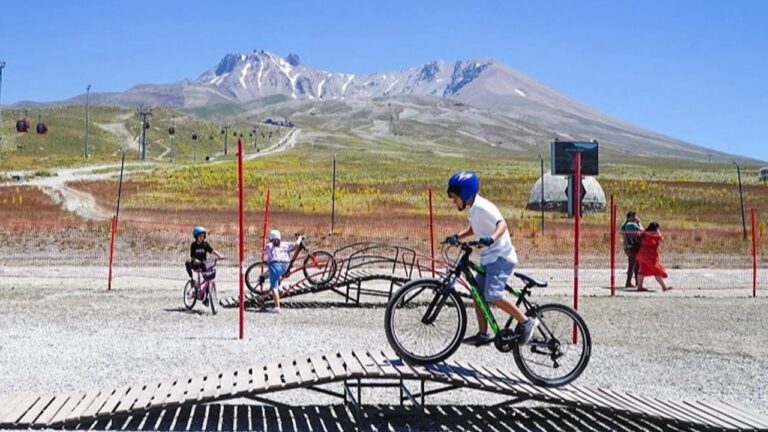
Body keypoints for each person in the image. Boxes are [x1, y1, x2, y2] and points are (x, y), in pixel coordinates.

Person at [445, 171, 539, 346]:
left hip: (501, 256)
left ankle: (526, 322)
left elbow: (501, 224)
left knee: (493, 295)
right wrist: (457, 237)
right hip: (489, 258)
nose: (453, 201)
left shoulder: (482, 207)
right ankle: (483, 334)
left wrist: (492, 238)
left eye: (455, 197)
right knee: (477, 292)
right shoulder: (473, 209)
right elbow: (474, 229)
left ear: (465, 193)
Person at [264, 229, 302, 312]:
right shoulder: (285, 244)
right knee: (277, 274)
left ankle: (277, 307)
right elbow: (296, 245)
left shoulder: (269, 246)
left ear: (271, 238)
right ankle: (279, 282)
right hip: (285, 266)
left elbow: (265, 254)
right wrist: (300, 238)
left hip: (274, 265)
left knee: (274, 287)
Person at [185, 226, 225, 305]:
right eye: (200, 236)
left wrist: (220, 256)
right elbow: (192, 257)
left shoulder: (205, 244)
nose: (202, 237)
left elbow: (212, 251)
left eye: (203, 236)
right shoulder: (193, 245)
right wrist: (197, 261)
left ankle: (206, 297)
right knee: (187, 263)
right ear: (196, 236)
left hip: (203, 263)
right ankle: (192, 279)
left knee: (208, 278)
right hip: (196, 263)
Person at [636, 222, 672, 292]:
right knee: (657, 271)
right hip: (650, 256)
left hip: (641, 254)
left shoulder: (644, 233)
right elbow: (662, 239)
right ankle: (664, 287)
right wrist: (658, 232)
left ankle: (640, 287)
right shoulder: (654, 235)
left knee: (642, 270)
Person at [620, 211, 643, 288]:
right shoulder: (631, 224)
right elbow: (642, 230)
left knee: (635, 264)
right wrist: (639, 222)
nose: (635, 218)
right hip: (632, 247)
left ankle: (635, 281)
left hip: (628, 246)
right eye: (634, 216)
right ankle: (630, 282)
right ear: (630, 217)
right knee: (633, 264)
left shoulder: (624, 225)